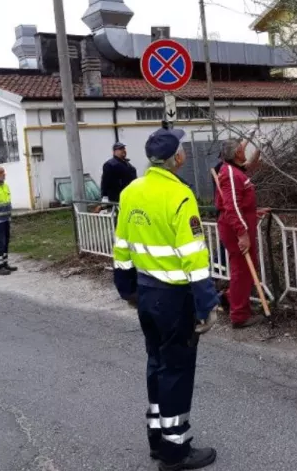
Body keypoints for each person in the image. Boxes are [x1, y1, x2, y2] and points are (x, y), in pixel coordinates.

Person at [114, 127, 219, 470]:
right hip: (174, 297)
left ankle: (158, 439)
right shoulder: (180, 195)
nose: (185, 154)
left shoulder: (131, 191)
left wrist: (127, 287)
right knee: (176, 369)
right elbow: (193, 255)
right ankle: (176, 451)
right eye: (183, 150)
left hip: (145, 292)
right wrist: (206, 305)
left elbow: (122, 244)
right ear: (176, 158)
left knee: (156, 364)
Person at [215, 138, 269, 329]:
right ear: (237, 152)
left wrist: (252, 212)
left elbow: (250, 167)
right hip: (235, 229)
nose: (243, 150)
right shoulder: (229, 173)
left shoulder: (235, 170)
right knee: (241, 270)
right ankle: (239, 315)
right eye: (241, 148)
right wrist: (242, 233)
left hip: (242, 223)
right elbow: (231, 206)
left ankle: (232, 299)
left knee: (246, 268)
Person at [100, 141, 139, 302]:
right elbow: (106, 182)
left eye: (124, 149)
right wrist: (105, 199)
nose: (123, 151)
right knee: (123, 235)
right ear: (114, 151)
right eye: (120, 149)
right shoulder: (111, 165)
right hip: (119, 200)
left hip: (131, 201)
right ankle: (127, 285)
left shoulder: (127, 164)